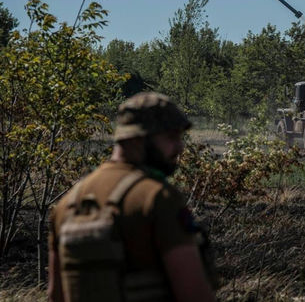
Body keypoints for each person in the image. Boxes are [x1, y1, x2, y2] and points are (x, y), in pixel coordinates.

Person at [48, 92, 217, 302]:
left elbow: (56, 295)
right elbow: (194, 295)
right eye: (171, 137)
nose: (180, 147)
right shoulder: (157, 197)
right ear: (138, 138)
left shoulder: (67, 203)